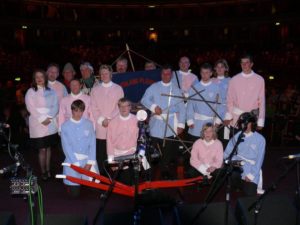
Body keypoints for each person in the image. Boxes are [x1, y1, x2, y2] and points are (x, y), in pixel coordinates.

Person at [141, 64, 186, 179]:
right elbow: (144, 99)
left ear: (171, 75)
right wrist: (154, 107)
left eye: (168, 74)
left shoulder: (176, 90)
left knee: (168, 150)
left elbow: (182, 108)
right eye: (164, 74)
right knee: (153, 150)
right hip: (156, 124)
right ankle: (149, 172)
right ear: (161, 74)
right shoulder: (154, 87)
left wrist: (181, 124)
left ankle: (164, 170)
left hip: (170, 123)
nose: (166, 76)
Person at [25, 69, 59, 181]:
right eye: (37, 77)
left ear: (45, 78)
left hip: (50, 122)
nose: (39, 79)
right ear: (34, 79)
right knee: (42, 149)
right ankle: (43, 171)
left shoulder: (52, 91)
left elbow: (55, 106)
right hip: (38, 123)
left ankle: (48, 169)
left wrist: (49, 117)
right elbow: (30, 107)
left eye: (41, 76)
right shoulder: (30, 91)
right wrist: (41, 118)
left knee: (48, 148)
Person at [91, 64, 124, 174]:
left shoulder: (118, 88)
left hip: (114, 124)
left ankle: (114, 175)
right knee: (101, 152)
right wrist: (102, 120)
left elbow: (120, 106)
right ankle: (103, 176)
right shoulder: (95, 90)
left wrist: (110, 119)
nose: (104, 75)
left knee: (113, 150)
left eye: (106, 73)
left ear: (111, 74)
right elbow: (93, 107)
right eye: (102, 74)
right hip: (100, 126)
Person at [61, 99, 97, 197]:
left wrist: (90, 162)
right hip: (73, 160)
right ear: (72, 110)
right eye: (76, 110)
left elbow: (92, 144)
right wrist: (75, 164)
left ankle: (85, 179)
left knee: (95, 189)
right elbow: (66, 147)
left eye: (81, 111)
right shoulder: (65, 126)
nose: (78, 113)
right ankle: (71, 184)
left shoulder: (89, 124)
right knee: (74, 195)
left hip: (87, 159)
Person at [224, 112, 265, 196]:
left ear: (252, 124)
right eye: (243, 123)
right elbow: (227, 153)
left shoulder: (260, 139)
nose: (244, 125)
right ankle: (238, 185)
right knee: (233, 174)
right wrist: (228, 161)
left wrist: (251, 175)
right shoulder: (237, 136)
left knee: (250, 194)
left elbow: (259, 160)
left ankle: (245, 184)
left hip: (251, 168)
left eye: (247, 123)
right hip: (239, 165)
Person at [224, 54, 265, 130]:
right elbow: (229, 100)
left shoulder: (259, 80)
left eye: (247, 62)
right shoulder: (234, 79)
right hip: (236, 119)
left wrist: (260, 120)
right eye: (242, 63)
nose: (244, 65)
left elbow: (262, 102)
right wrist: (228, 116)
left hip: (251, 119)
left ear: (251, 64)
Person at [106, 98, 139, 185]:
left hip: (132, 155)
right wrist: (111, 161)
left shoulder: (137, 120)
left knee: (133, 182)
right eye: (121, 106)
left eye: (126, 106)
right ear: (118, 107)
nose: (123, 108)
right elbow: (109, 142)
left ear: (130, 107)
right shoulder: (112, 122)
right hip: (118, 156)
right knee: (120, 185)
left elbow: (140, 139)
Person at [187, 63, 221, 142]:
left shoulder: (216, 88)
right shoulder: (194, 87)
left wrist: (217, 121)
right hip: (196, 123)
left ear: (211, 73)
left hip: (210, 124)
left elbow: (219, 106)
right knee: (195, 148)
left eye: (207, 73)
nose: (204, 75)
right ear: (200, 73)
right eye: (202, 72)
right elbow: (190, 105)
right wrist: (190, 120)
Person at [212, 59, 231, 146]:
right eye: (218, 67)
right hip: (212, 114)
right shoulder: (211, 80)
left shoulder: (230, 81)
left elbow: (232, 100)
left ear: (226, 68)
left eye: (222, 67)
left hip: (224, 115)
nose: (219, 69)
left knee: (223, 141)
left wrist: (228, 116)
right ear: (215, 68)